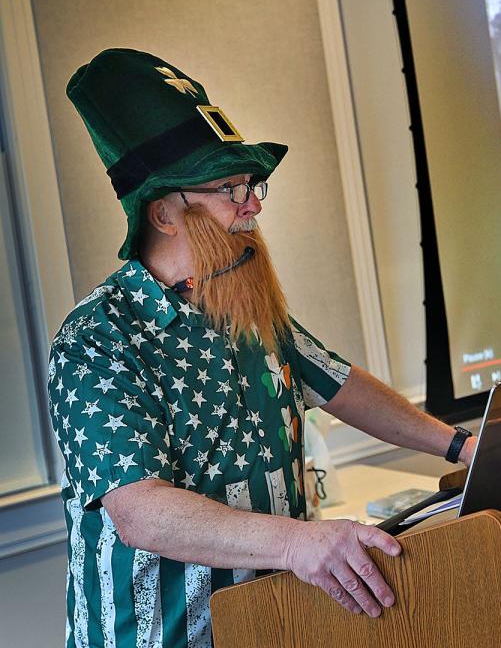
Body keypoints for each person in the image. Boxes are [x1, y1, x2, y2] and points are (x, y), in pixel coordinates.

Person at [48, 49, 477, 648]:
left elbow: (339, 384)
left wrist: (460, 446)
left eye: (252, 186)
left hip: (270, 626)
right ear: (165, 213)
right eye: (230, 189)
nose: (252, 205)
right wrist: (297, 541)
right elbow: (140, 510)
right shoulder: (97, 338)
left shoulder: (247, 308)